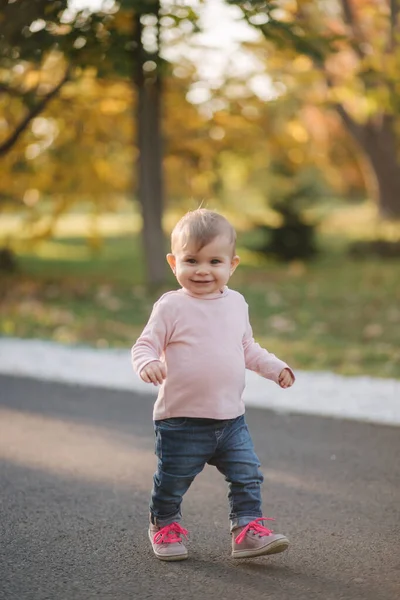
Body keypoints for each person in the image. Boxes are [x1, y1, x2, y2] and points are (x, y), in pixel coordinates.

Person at [131, 209, 295, 562]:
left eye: (214, 261)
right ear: (174, 262)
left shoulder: (236, 304)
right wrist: (148, 363)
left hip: (230, 419)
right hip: (181, 421)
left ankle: (247, 531)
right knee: (172, 482)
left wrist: (275, 367)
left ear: (232, 265)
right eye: (191, 260)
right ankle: (164, 523)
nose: (203, 270)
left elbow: (247, 348)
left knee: (248, 475)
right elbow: (144, 345)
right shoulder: (171, 306)